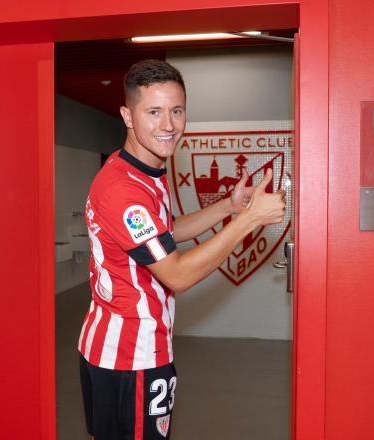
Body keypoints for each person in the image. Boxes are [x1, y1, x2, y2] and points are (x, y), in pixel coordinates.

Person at [77, 59, 286, 440]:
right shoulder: (124, 191)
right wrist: (250, 221)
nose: (169, 125)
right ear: (127, 115)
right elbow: (176, 272)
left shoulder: (138, 171)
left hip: (109, 347)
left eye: (176, 110)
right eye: (153, 112)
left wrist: (228, 208)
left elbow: (163, 233)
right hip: (133, 357)